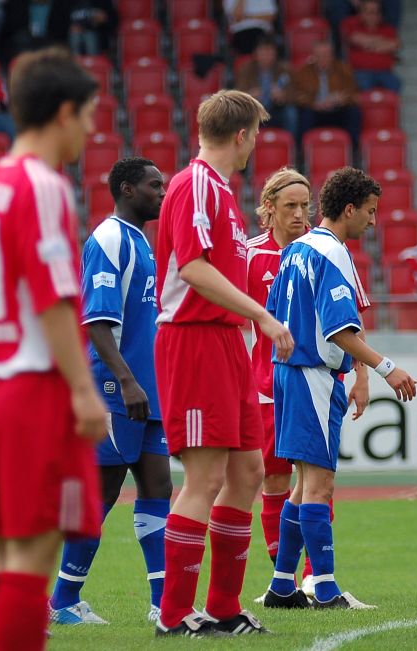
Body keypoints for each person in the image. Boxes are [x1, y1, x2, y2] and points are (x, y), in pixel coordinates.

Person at [0, 48, 108, 651]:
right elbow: (52, 299)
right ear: (64, 112)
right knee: (32, 559)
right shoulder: (42, 185)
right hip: (32, 388)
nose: (92, 129)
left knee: (11, 559)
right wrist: (80, 389)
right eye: (89, 115)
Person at [153, 89, 294, 636]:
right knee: (205, 475)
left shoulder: (221, 192)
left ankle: (224, 607)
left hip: (224, 342)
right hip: (192, 340)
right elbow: (191, 268)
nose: (256, 143)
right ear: (241, 135)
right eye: (256, 134)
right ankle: (173, 615)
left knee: (248, 471)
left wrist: (245, 325)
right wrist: (262, 315)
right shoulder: (193, 185)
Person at [264, 166, 416, 610]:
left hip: (288, 371)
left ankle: (280, 586)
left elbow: (276, 317)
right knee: (320, 486)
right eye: (369, 212)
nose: (372, 221)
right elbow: (339, 332)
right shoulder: (331, 252)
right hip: (313, 373)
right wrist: (387, 368)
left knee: (300, 483)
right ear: (348, 209)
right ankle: (326, 589)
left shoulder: (294, 249)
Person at [49, 157, 172, 625]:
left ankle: (164, 603)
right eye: (152, 185)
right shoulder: (109, 238)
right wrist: (124, 379)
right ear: (125, 189)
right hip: (117, 384)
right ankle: (61, 600)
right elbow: (96, 320)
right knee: (102, 490)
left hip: (147, 386)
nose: (160, 192)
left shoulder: (141, 241)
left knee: (158, 484)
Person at [246, 167, 370, 598]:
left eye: (306, 205)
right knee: (286, 483)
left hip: (295, 378)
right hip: (274, 386)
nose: (300, 214)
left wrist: (362, 375)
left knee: (307, 482)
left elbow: (353, 316)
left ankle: (305, 579)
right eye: (290, 206)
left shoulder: (307, 251)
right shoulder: (252, 256)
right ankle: (298, 583)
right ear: (270, 210)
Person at [294, 39, 362, 148]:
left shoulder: (343, 70)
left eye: (326, 55)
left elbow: (354, 94)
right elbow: (297, 95)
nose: (322, 59)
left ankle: (354, 151)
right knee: (304, 115)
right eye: (319, 56)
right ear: (313, 56)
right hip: (315, 111)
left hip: (337, 109)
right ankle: (302, 152)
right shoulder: (304, 72)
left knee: (353, 112)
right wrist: (314, 104)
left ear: (332, 56)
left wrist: (342, 99)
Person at [235, 34, 298, 137]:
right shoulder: (246, 69)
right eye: (262, 53)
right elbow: (237, 95)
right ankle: (243, 149)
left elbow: (295, 95)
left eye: (269, 53)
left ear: (275, 54)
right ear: (255, 54)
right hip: (254, 111)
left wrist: (283, 96)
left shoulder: (285, 69)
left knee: (291, 112)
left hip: (276, 109)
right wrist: (249, 96)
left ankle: (291, 146)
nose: (266, 57)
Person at [340, 0, 402, 93]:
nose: (372, 16)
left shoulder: (388, 29)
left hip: (385, 73)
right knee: (361, 84)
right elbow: (354, 38)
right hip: (360, 72)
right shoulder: (350, 24)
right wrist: (381, 42)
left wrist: (366, 44)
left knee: (395, 83)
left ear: (380, 15)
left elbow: (395, 45)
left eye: (375, 12)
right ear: (361, 13)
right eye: (369, 12)